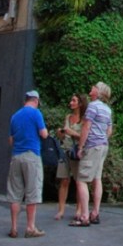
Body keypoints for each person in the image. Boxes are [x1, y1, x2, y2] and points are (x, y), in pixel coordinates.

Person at [6, 89, 49, 238]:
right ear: (36, 101)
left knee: (14, 193)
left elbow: (10, 140)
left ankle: (14, 228)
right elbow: (44, 134)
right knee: (32, 192)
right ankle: (30, 227)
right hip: (32, 155)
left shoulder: (15, 116)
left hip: (16, 156)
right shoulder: (36, 113)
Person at [71, 82, 113, 228]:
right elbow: (109, 131)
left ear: (98, 91)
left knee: (82, 180)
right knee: (97, 178)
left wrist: (81, 146)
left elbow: (86, 126)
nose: (92, 87)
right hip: (103, 146)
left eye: (95, 86)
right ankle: (95, 212)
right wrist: (102, 139)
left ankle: (84, 216)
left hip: (92, 146)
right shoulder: (107, 109)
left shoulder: (93, 106)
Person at [54, 92, 89, 220]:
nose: (71, 103)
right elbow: (63, 135)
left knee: (79, 181)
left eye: (74, 101)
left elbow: (84, 137)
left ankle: (79, 209)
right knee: (64, 180)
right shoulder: (68, 117)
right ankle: (61, 210)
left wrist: (72, 132)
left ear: (80, 103)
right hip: (65, 150)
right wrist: (61, 133)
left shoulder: (85, 119)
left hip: (77, 152)